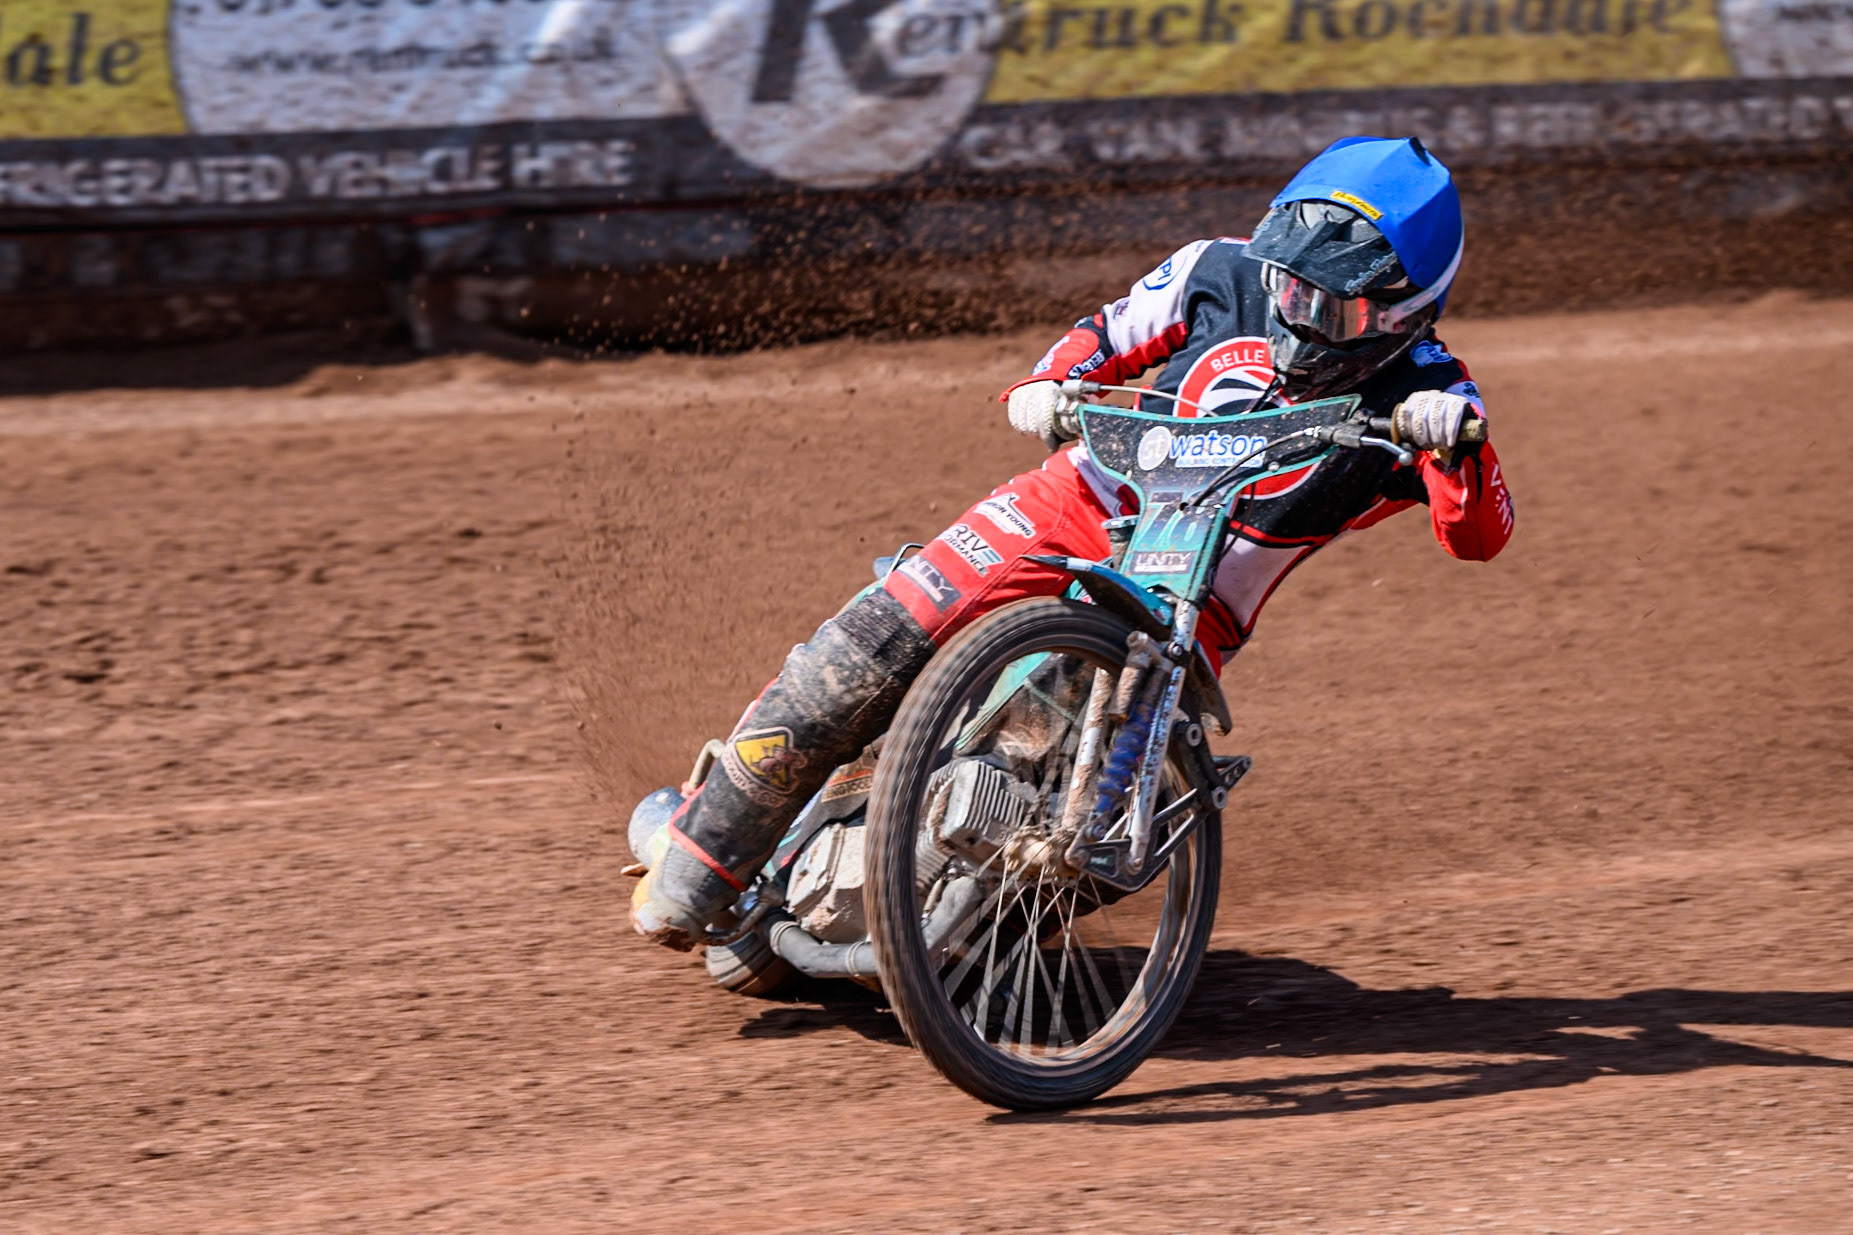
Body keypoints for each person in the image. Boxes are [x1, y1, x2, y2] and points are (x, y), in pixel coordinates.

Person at [629, 135, 1515, 950]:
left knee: (1050, 771)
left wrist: (1453, 445)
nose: (1302, 316)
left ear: (1408, 311)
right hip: (1074, 502)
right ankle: (700, 851)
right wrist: (1048, 384)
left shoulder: (1431, 393)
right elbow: (1101, 338)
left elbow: (1479, 536)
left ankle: (930, 924)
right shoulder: (1215, 268)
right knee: (864, 648)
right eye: (1289, 285)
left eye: (1337, 307)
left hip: (1194, 604)